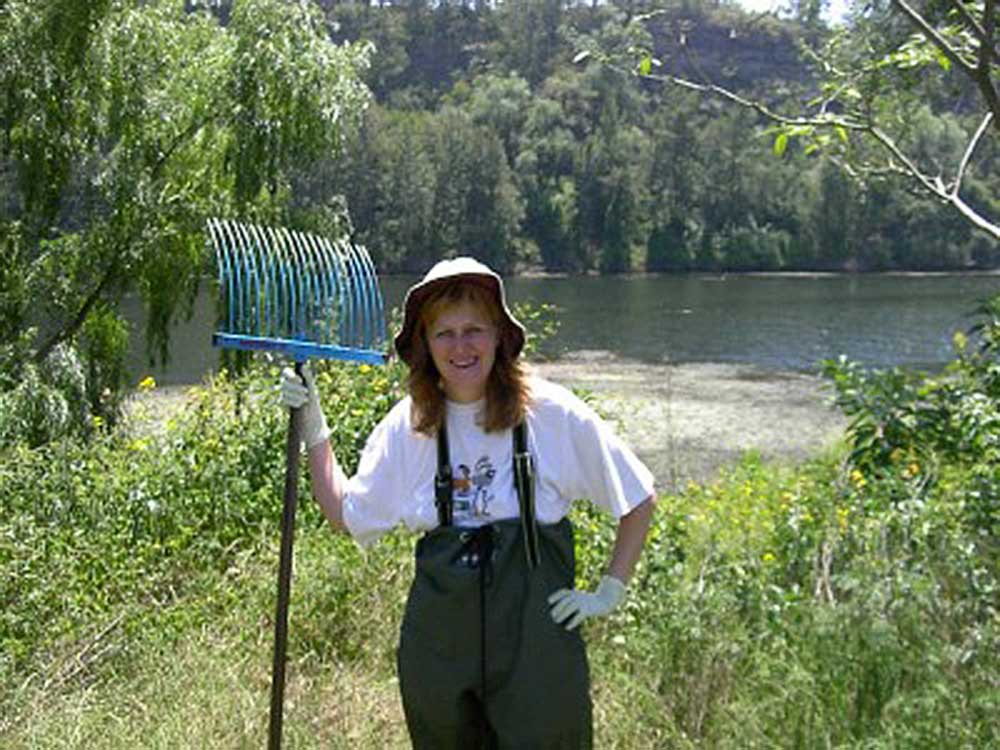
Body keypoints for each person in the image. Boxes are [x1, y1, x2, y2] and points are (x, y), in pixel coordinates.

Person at [281, 257, 656, 749]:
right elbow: (346, 514)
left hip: (535, 650)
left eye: (474, 330)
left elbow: (638, 497)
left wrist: (610, 589)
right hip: (440, 650)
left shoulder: (551, 413)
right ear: (424, 345)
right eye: (444, 333)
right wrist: (313, 424)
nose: (461, 346)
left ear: (499, 336)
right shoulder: (409, 426)